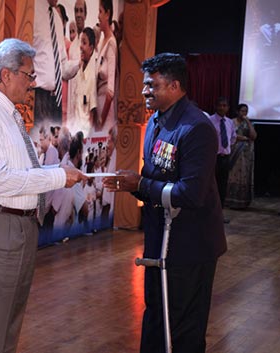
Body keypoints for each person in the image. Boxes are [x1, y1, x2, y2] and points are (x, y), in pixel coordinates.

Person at [0, 38, 86, 353]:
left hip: (17, 226)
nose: (34, 83)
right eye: (29, 75)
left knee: (8, 322)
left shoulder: (7, 115)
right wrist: (57, 176)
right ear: (6, 75)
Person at [103, 53, 227, 353]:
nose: (145, 91)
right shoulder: (158, 121)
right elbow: (156, 178)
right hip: (160, 240)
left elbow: (191, 193)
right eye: (146, 84)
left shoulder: (196, 127)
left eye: (152, 85)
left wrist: (142, 184)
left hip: (191, 246)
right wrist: (133, 186)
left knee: (183, 327)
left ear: (174, 86)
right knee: (157, 316)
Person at [33, 0, 78, 124]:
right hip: (38, 96)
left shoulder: (57, 20)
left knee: (55, 143)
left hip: (56, 98)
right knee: (37, 141)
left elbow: (63, 67)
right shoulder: (32, 12)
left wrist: (80, 63)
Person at [208, 97, 237, 222]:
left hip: (225, 158)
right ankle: (208, 214)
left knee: (222, 187)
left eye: (225, 105)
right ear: (215, 106)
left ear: (228, 108)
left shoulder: (230, 122)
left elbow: (232, 138)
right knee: (210, 186)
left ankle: (219, 215)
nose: (222, 108)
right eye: (220, 105)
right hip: (213, 158)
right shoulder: (209, 120)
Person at [225, 103, 258, 209]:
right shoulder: (231, 122)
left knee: (243, 177)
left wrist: (248, 121)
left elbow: (253, 136)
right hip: (234, 152)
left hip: (245, 154)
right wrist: (242, 138)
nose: (244, 113)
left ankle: (241, 201)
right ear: (237, 111)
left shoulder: (248, 123)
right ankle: (229, 200)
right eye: (242, 111)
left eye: (246, 111)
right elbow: (229, 135)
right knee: (232, 175)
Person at [66, 27, 97, 136]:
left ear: (91, 48)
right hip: (74, 133)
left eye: (84, 43)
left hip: (85, 137)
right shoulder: (78, 73)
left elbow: (93, 115)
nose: (80, 46)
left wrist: (88, 139)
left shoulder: (93, 77)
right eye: (80, 42)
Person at [95, 0, 118, 134]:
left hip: (105, 114)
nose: (98, 16)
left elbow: (110, 91)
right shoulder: (101, 42)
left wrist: (101, 121)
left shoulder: (111, 44)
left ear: (108, 14)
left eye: (100, 12)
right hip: (97, 108)